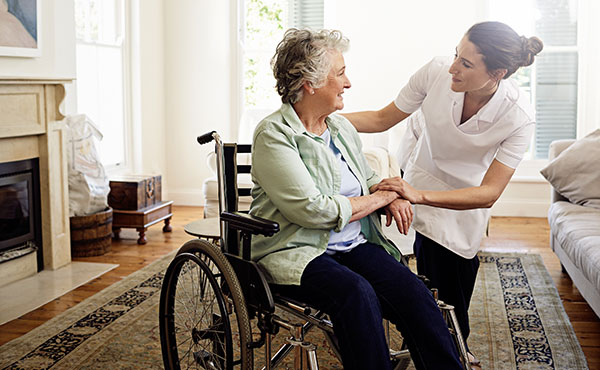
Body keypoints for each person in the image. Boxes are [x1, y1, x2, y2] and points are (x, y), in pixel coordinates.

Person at [249, 28, 462, 370]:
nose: (348, 83)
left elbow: (367, 179)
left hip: (350, 244)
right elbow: (314, 211)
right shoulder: (274, 135)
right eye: (340, 74)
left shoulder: (341, 128)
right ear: (310, 83)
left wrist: (388, 193)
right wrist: (380, 199)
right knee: (356, 293)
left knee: (415, 295)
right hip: (296, 250)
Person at [343, 21, 544, 367]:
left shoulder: (518, 117)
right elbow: (381, 118)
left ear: (497, 73)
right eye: (456, 55)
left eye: (466, 64)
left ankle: (451, 346)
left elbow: (489, 192)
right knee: (421, 285)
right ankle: (436, 344)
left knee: (450, 293)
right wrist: (321, 116)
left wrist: (418, 195)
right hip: (420, 179)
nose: (453, 66)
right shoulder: (437, 71)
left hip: (464, 201)